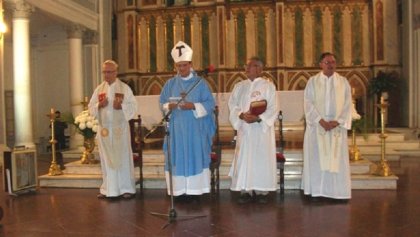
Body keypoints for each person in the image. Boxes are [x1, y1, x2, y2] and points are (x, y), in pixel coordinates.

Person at [159, 41, 215, 201]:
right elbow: (162, 103)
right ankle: (179, 191)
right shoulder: (170, 84)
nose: (181, 69)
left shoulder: (200, 83)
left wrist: (193, 106)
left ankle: (195, 191)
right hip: (177, 130)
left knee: (194, 156)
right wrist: (167, 106)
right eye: (178, 66)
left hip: (195, 130)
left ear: (190, 64)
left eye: (184, 65)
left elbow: (209, 104)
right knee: (178, 158)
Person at [301, 52, 352, 201]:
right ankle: (318, 192)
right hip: (318, 127)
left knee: (336, 160)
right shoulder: (313, 81)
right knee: (318, 160)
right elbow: (308, 103)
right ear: (320, 64)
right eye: (327, 62)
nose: (331, 65)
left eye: (333, 62)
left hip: (336, 127)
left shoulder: (343, 82)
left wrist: (338, 121)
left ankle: (338, 193)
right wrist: (320, 120)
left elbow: (348, 104)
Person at [228, 56, 278, 204]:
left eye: (251, 65)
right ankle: (245, 190)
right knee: (245, 158)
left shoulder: (268, 86)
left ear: (259, 68)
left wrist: (258, 118)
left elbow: (273, 107)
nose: (247, 68)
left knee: (261, 158)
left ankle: (262, 190)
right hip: (245, 129)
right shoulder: (239, 86)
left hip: (261, 130)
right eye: (247, 65)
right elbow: (233, 105)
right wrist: (241, 115)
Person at [88, 60, 138, 199]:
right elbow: (90, 108)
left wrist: (121, 107)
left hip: (119, 130)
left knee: (122, 158)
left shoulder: (124, 88)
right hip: (104, 130)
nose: (107, 75)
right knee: (106, 160)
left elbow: (133, 107)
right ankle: (108, 189)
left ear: (116, 72)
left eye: (109, 72)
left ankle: (126, 188)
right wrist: (99, 104)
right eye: (105, 72)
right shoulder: (99, 89)